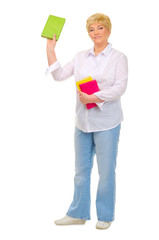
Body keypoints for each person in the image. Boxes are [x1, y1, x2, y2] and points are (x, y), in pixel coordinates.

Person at [46, 13, 128, 230]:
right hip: (82, 122)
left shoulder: (118, 58)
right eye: (91, 29)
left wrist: (94, 97)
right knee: (81, 170)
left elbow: (120, 87)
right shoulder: (81, 56)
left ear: (108, 30)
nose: (96, 33)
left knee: (106, 171)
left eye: (100, 28)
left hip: (107, 123)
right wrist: (51, 50)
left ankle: (105, 215)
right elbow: (60, 75)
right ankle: (78, 213)